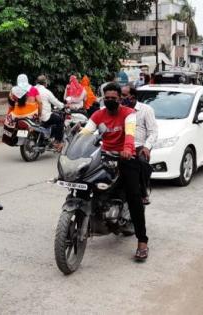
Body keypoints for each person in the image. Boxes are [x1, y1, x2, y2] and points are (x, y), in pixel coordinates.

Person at [81, 83, 149, 261]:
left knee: (134, 197)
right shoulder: (99, 114)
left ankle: (142, 241)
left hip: (124, 156)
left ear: (120, 99)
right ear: (103, 98)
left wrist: (127, 149)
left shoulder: (128, 113)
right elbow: (87, 131)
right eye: (107, 98)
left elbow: (130, 133)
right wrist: (76, 142)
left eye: (114, 98)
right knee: (85, 183)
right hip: (103, 155)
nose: (110, 101)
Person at [121, 85, 158, 205]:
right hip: (119, 145)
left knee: (142, 162)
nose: (121, 98)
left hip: (138, 145)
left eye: (124, 96)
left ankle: (143, 192)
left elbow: (153, 132)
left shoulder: (146, 110)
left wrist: (147, 147)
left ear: (132, 97)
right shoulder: (118, 109)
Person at [35, 75, 65, 151]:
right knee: (60, 119)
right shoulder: (46, 92)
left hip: (33, 115)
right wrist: (63, 106)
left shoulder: (32, 89)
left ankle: (46, 137)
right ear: (45, 83)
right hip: (43, 115)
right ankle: (57, 141)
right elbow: (55, 101)